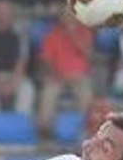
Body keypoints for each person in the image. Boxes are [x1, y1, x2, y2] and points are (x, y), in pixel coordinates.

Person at [35, 9, 95, 137]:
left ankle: (87, 129)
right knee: (48, 91)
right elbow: (45, 60)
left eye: (71, 15)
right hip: (58, 75)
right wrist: (55, 73)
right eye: (65, 15)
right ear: (60, 18)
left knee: (85, 91)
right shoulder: (52, 34)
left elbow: (88, 54)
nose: (68, 18)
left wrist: (72, 34)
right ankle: (44, 128)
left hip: (79, 75)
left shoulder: (84, 32)